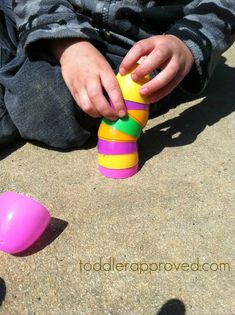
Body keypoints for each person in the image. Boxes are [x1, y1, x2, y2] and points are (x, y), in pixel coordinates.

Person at [0, 0, 234, 149]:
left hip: (137, 49)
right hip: (43, 16)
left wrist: (187, 42)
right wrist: (66, 39)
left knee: (48, 103)